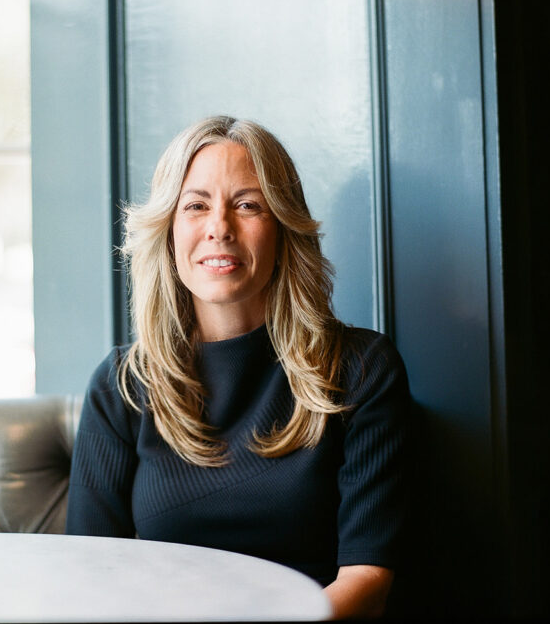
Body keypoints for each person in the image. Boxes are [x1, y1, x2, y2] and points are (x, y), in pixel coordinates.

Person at [65, 115, 411, 619]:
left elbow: (366, 581)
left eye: (247, 205)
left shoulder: (361, 370)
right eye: (196, 206)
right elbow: (90, 578)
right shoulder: (123, 385)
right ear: (168, 231)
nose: (219, 228)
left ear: (284, 229)